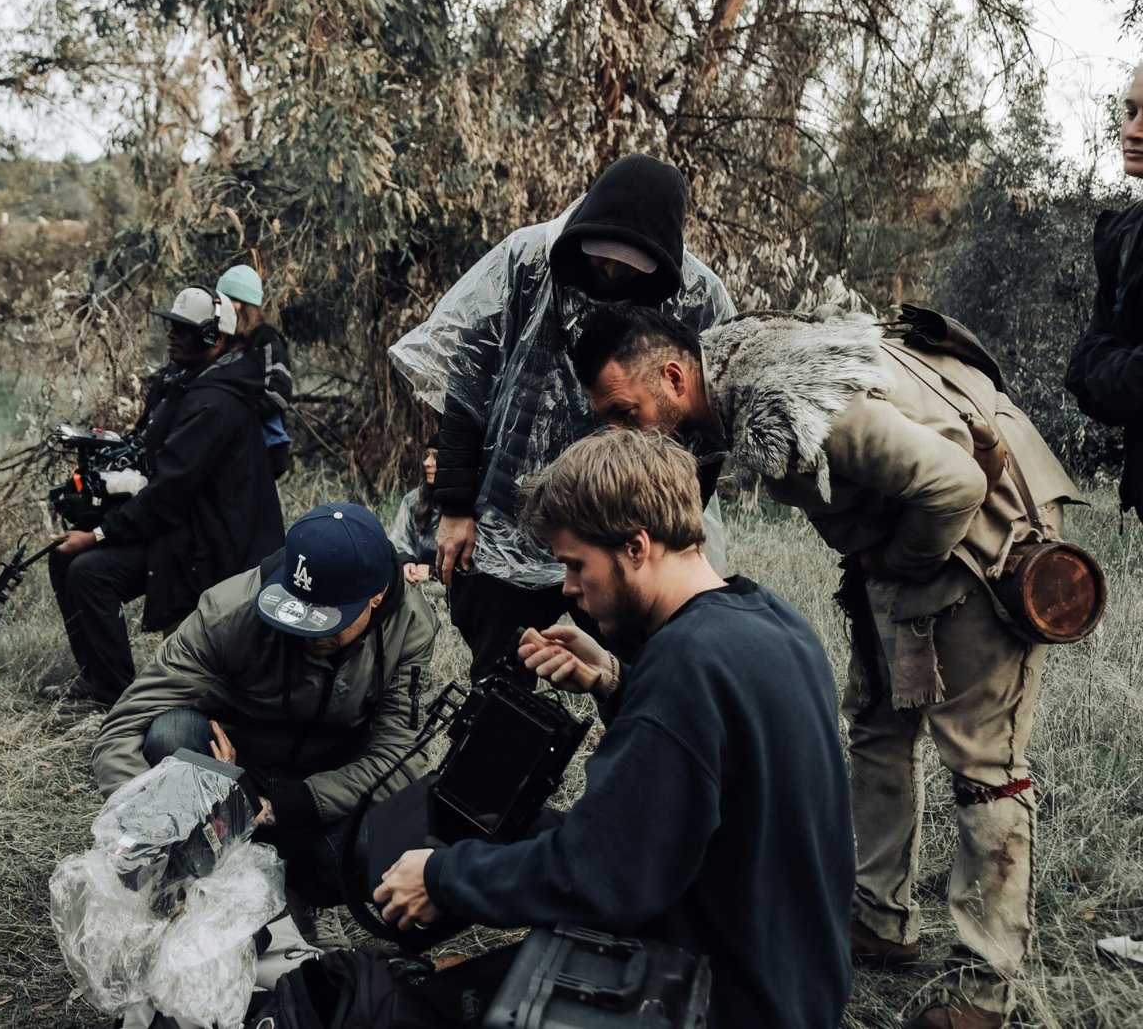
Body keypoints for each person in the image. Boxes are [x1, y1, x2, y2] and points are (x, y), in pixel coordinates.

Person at [568, 304, 1082, 1029]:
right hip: (911, 535)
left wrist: (895, 569)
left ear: (677, 375)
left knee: (984, 762)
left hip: (984, 533)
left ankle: (985, 985)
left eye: (624, 411)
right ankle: (879, 914)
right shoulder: (718, 389)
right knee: (876, 722)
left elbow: (956, 483)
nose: (622, 429)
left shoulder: (802, 407)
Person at [372, 429, 853, 1029]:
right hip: (795, 979)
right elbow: (709, 776)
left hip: (724, 999)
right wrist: (615, 684)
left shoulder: (685, 668)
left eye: (575, 564)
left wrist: (441, 878)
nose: (569, 588)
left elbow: (601, 876)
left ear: (635, 547)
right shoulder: (771, 619)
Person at [387, 152, 734, 680]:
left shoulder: (698, 298)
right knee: (501, 678)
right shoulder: (527, 261)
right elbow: (467, 387)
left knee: (638, 677)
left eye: (628, 267)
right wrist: (456, 507)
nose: (612, 274)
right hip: (509, 510)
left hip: (627, 523)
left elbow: (706, 436)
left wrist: (676, 535)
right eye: (602, 260)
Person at [91, 502, 437, 912]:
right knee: (172, 732)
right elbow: (125, 724)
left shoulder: (410, 628)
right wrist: (146, 833)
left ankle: (301, 900)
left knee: (383, 838)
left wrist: (284, 806)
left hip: (328, 784)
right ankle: (194, 879)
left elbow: (400, 758)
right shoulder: (230, 611)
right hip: (232, 768)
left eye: (325, 619)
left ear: (375, 596)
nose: (308, 631)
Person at [48, 285, 283, 705]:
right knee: (65, 558)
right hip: (181, 527)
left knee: (87, 570)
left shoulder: (214, 403)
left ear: (215, 337)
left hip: (209, 547)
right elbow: (153, 458)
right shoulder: (183, 384)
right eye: (171, 326)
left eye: (185, 329)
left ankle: (116, 696)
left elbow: (168, 493)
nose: (172, 335)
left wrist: (99, 534)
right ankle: (97, 677)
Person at [1066, 62, 1143, 523]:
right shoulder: (1127, 233)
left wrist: (1116, 366)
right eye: (1130, 111)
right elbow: (1082, 369)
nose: (1134, 130)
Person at [217, 263, 295, 478]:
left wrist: (236, 415)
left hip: (262, 451)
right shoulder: (224, 341)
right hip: (231, 451)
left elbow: (279, 394)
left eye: (231, 301)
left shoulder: (266, 340)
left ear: (245, 305)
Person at [387, 435, 441, 583]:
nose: (426, 463)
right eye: (427, 455)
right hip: (415, 579)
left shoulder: (469, 508)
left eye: (436, 457)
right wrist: (406, 562)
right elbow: (399, 540)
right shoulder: (413, 500)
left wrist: (434, 573)